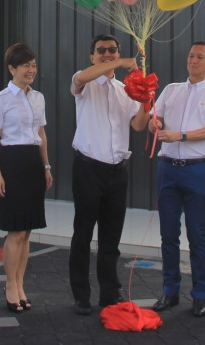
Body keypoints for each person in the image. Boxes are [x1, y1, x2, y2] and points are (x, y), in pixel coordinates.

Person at [69, 33, 151, 315]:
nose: (107, 54)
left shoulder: (123, 89)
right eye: (101, 50)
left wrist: (145, 101)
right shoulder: (83, 80)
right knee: (82, 234)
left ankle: (110, 291)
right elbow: (83, 78)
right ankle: (81, 294)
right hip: (88, 168)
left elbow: (138, 125)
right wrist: (126, 60)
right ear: (92, 56)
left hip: (117, 172)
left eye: (112, 50)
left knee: (111, 237)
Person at [147, 42, 205, 317]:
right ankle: (170, 291)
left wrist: (179, 136)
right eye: (191, 55)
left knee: (197, 234)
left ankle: (201, 294)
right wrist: (154, 123)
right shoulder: (171, 90)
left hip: (196, 170)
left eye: (200, 57)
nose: (193, 60)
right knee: (168, 234)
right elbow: (153, 120)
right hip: (168, 168)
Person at [0, 43, 53, 313]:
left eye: (34, 65)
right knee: (14, 230)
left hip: (33, 164)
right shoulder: (0, 99)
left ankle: (21, 283)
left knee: (27, 231)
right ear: (12, 68)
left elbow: (42, 135)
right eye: (26, 65)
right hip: (11, 163)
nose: (31, 70)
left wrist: (47, 166)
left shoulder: (38, 97)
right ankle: (10, 284)